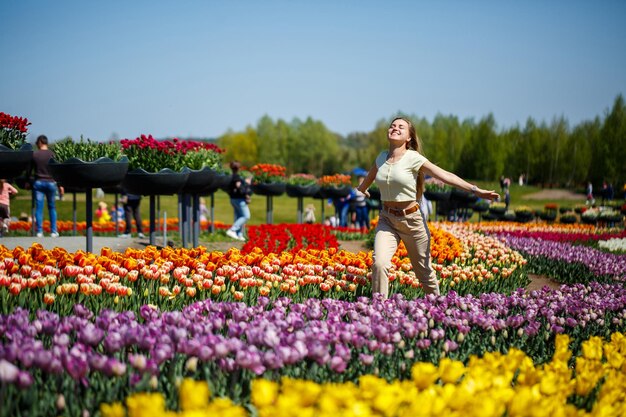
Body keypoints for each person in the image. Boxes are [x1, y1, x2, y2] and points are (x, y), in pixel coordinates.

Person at [357, 117, 499, 298]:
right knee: (379, 264)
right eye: (392, 125)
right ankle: (379, 310)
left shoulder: (413, 158)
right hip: (387, 220)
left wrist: (475, 190)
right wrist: (363, 188)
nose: (395, 128)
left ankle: (437, 305)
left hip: (412, 222)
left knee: (423, 271)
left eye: (401, 127)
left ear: (409, 137)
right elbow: (372, 174)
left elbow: (445, 175)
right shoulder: (381, 157)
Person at [31, 135, 63, 237]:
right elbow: (57, 171)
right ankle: (53, 231)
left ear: (40, 142)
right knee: (52, 207)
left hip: (39, 182)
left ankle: (39, 231)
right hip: (51, 182)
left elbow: (29, 170)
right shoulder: (52, 154)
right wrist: (60, 185)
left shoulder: (34, 155)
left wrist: (27, 181)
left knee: (39, 208)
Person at [225, 161, 250, 241]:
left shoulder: (231, 176)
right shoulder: (237, 177)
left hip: (233, 199)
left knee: (239, 216)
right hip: (239, 199)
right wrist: (246, 194)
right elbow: (239, 187)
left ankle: (239, 234)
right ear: (238, 168)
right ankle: (232, 230)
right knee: (246, 216)